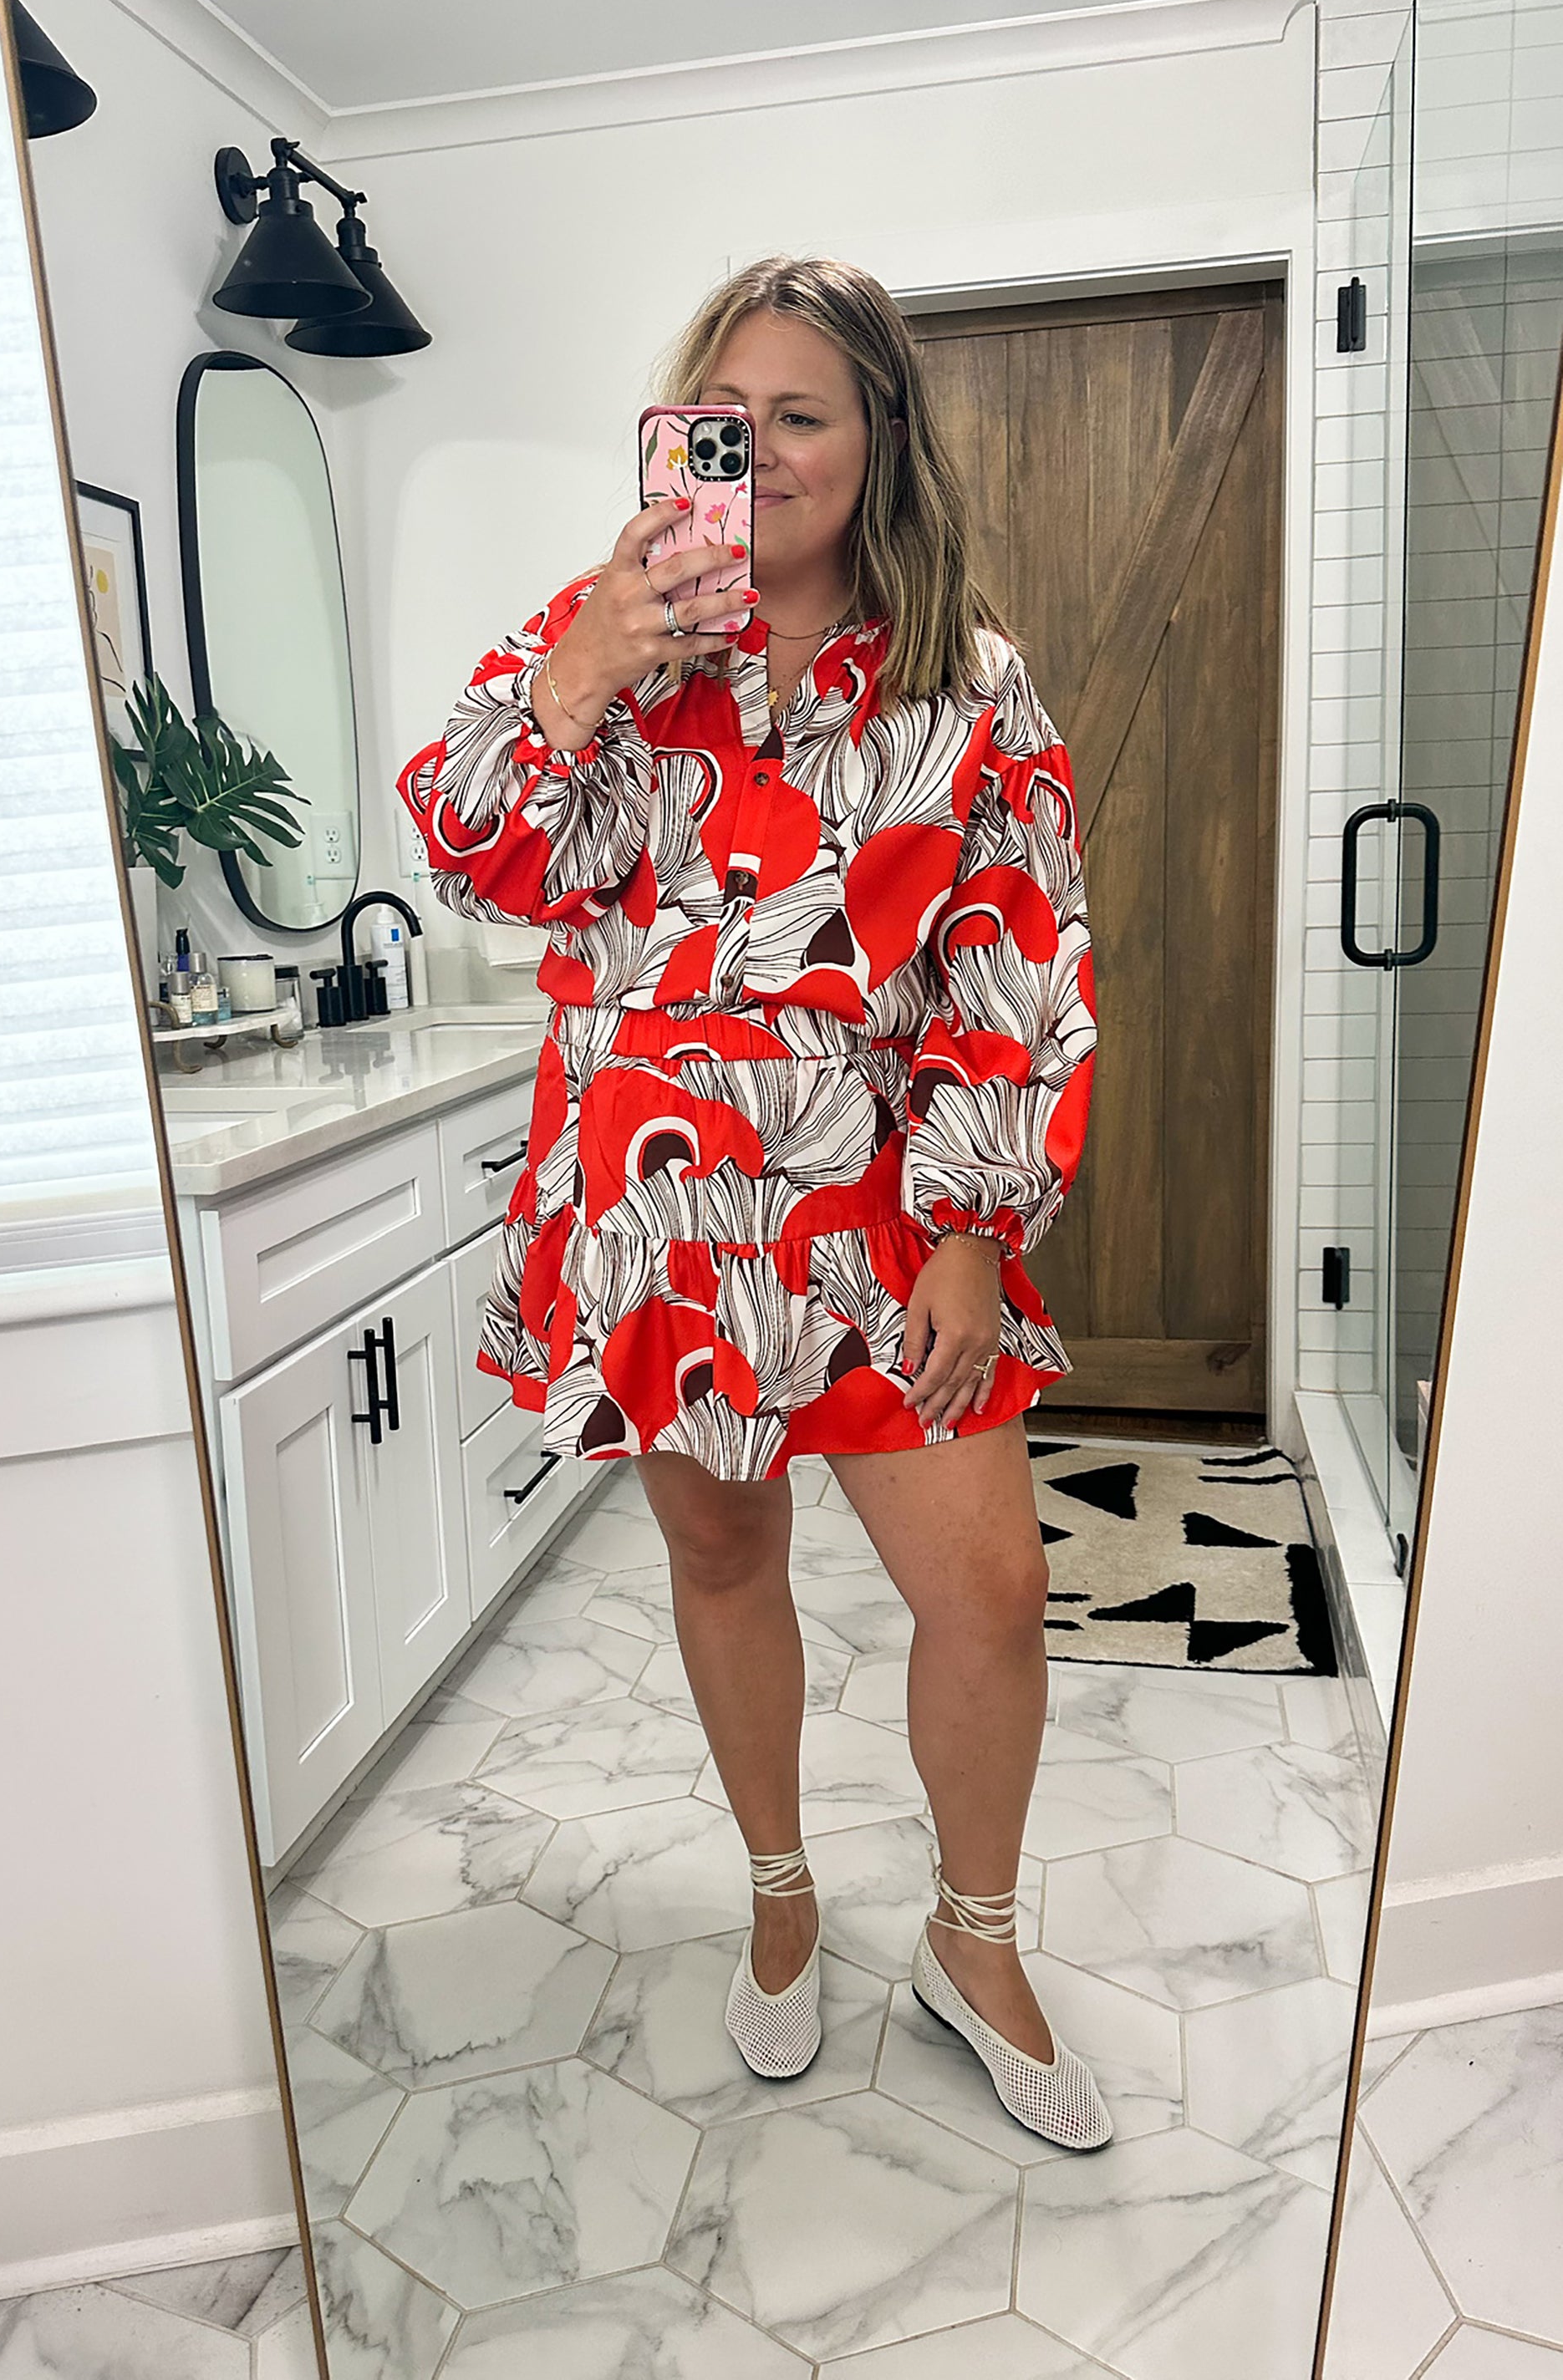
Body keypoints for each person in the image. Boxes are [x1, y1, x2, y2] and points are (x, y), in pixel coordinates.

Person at [399, 256, 1110, 2152]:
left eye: (802, 414)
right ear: (672, 438)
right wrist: (581, 672)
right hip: (654, 1208)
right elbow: (473, 854)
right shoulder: (601, 635)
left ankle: (971, 1940)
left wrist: (975, 1220)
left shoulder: (968, 683)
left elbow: (1011, 955)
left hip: (870, 1202)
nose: (762, 450)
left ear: (879, 440)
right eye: (724, 417)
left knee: (992, 1590)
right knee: (723, 1559)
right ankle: (779, 1889)